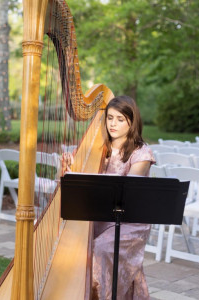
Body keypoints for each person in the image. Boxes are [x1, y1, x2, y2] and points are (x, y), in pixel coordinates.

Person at [61, 95, 155, 300]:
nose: (113, 124)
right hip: (101, 215)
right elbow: (79, 188)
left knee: (101, 249)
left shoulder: (142, 153)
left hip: (130, 220)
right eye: (110, 118)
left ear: (133, 121)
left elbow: (128, 190)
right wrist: (70, 171)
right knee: (74, 246)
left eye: (120, 119)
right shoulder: (96, 148)